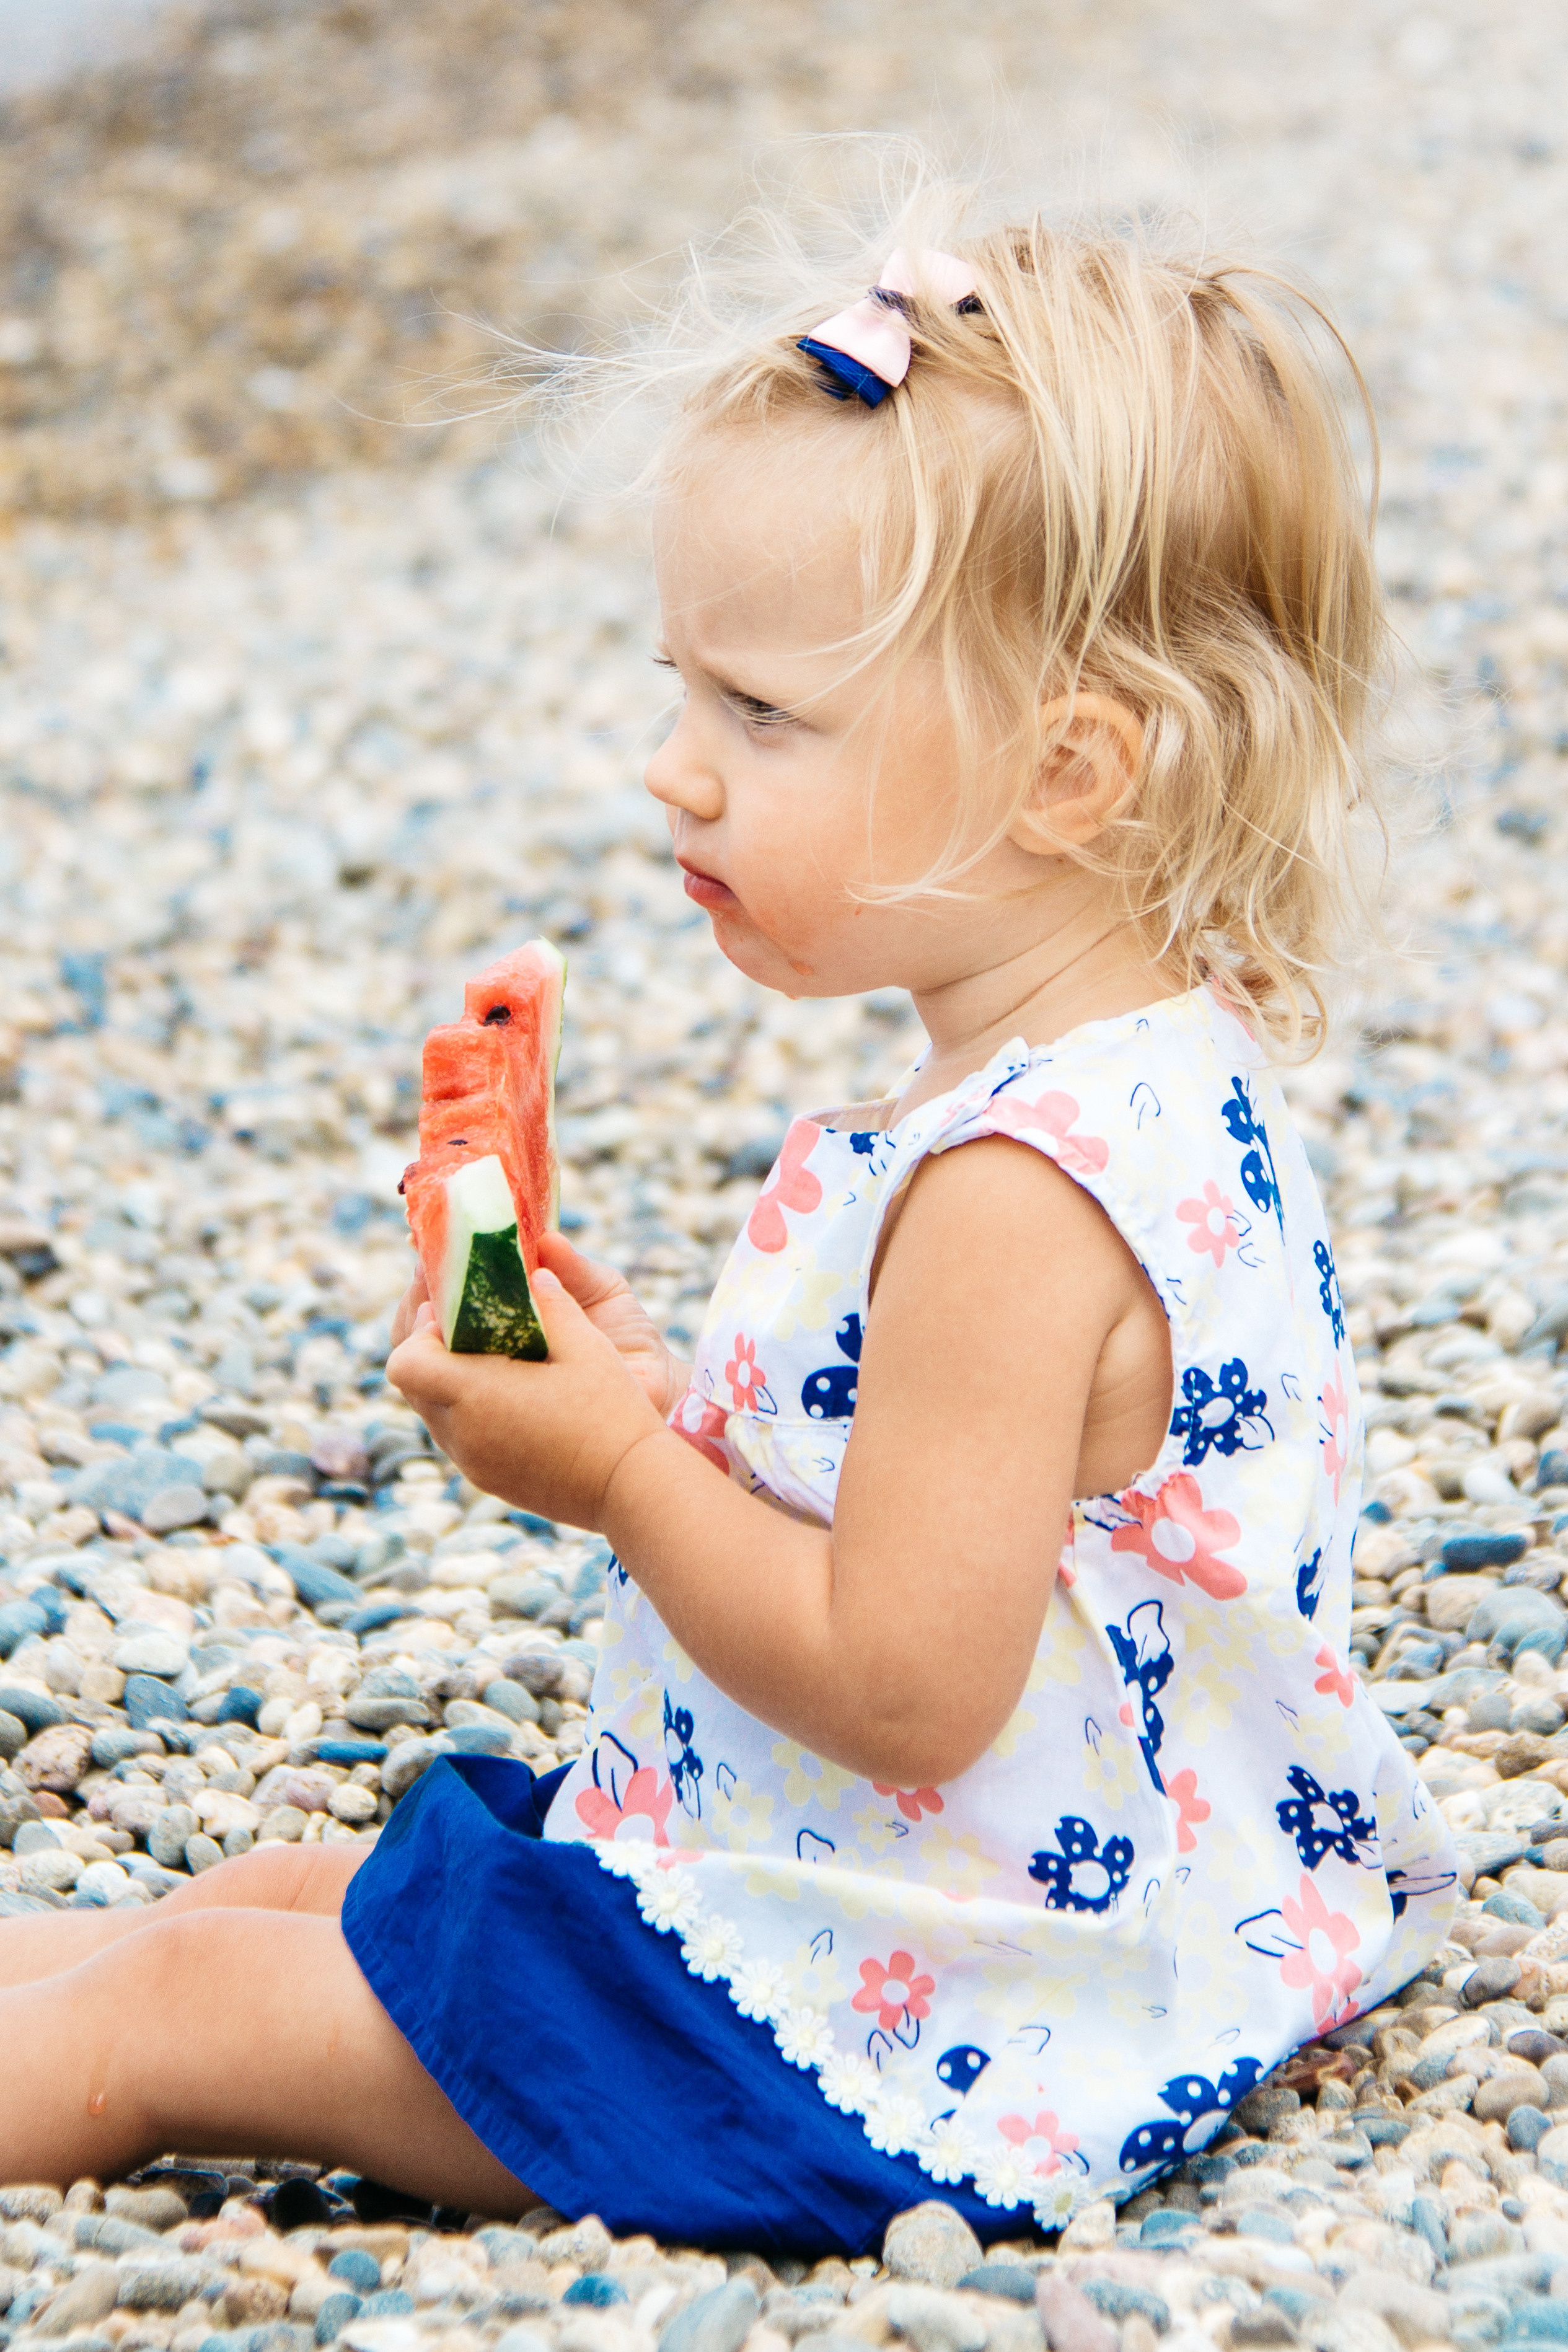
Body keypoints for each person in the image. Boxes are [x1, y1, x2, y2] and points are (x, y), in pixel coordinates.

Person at [0, 198, 1456, 2252]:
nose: (672, 771)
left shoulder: (1014, 1190)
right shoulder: (1123, 1070)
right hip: (1010, 1901)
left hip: (918, 2021)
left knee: (181, 2003)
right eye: (681, 690)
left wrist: (612, 1471)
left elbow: (903, 1680)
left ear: (1065, 773)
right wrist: (676, 1405)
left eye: (762, 716)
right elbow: (976, 1509)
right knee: (263, 1899)